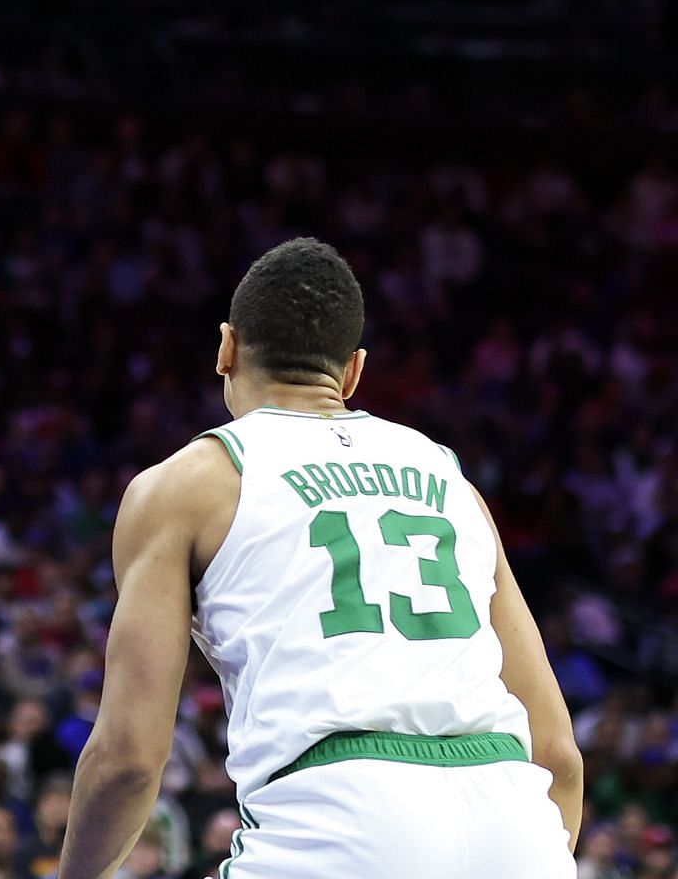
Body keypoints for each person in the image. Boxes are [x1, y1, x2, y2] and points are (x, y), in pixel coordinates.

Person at [59, 239, 583, 879]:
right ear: (354, 371)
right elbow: (557, 752)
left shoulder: (184, 485)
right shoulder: (452, 483)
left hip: (340, 817)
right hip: (516, 819)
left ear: (225, 348)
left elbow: (129, 758)